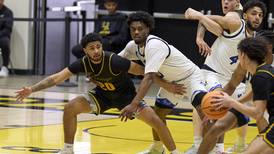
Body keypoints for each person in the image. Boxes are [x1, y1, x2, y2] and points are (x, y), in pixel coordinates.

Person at [15, 33, 182, 154]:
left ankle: (174, 152)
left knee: (157, 122)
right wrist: (31, 89)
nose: (96, 51)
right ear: (85, 51)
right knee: (70, 107)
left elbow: (144, 72)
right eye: (91, 48)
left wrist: (167, 85)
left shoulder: (114, 60)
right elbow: (56, 78)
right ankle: (68, 149)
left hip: (126, 98)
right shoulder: (82, 64)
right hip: (102, 97)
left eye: (98, 47)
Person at [118, 11, 209, 154]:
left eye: (140, 28)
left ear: (148, 29)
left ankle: (208, 149)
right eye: (133, 29)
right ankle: (157, 148)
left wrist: (134, 104)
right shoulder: (132, 46)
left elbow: (148, 78)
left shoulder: (154, 45)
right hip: (170, 82)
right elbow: (115, 62)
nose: (136, 32)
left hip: (191, 77)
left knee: (203, 109)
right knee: (158, 114)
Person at [185, 0, 266, 153]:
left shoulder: (255, 37)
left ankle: (240, 144)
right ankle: (208, 147)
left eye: (260, 15)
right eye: (254, 14)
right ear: (246, 16)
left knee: (240, 116)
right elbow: (204, 19)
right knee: (217, 107)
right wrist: (199, 38)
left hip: (234, 79)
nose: (257, 18)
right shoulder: (235, 22)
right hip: (213, 73)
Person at [214, 37, 274, 154]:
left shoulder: (260, 77)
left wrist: (232, 102)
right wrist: (230, 103)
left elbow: (257, 113)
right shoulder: (265, 70)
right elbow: (253, 94)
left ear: (243, 56)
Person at [0, 0, 13, 77]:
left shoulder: (8, 12)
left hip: (2, 36)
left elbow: (8, 29)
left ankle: (5, 67)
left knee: (5, 42)